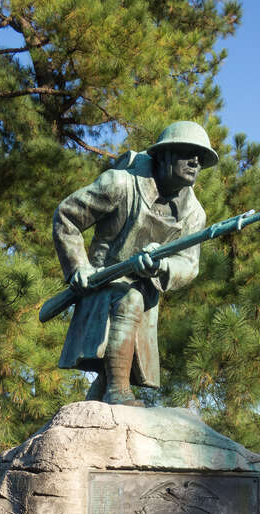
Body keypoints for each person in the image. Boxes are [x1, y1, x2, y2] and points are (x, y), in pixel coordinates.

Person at [52, 121, 218, 406]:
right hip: (103, 280)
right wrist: (79, 266)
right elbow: (67, 216)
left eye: (200, 157)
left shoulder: (194, 214)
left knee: (133, 303)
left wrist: (161, 266)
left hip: (146, 289)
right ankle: (118, 390)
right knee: (130, 300)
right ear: (164, 154)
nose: (195, 161)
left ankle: (104, 394)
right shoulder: (120, 183)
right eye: (187, 153)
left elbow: (189, 264)